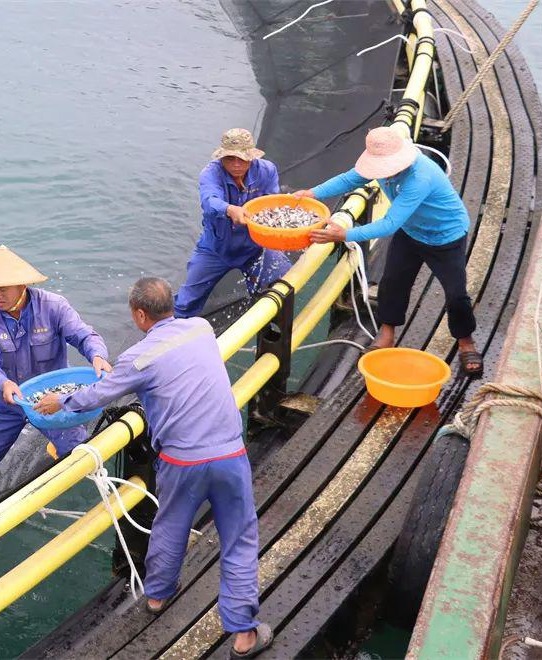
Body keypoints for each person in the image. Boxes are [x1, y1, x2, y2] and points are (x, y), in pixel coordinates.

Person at [34, 277, 272, 659]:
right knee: (240, 539)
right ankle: (244, 635)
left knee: (169, 526)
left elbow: (99, 394)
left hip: (181, 461)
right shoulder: (201, 327)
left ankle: (158, 596)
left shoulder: (137, 358)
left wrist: (58, 403)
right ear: (172, 305)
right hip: (229, 453)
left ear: (140, 315)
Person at [0, 245, 112, 530]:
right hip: (6, 399)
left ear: (23, 284)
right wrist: (2, 383)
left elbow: (83, 335)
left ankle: (61, 446)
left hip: (51, 397)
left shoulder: (54, 305)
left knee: (78, 449)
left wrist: (98, 355)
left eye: (2, 288)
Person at [297, 125, 482, 378]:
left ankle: (465, 341)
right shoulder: (381, 168)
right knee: (393, 282)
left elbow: (389, 223)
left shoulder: (421, 177)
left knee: (456, 293)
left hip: (445, 236)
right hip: (411, 232)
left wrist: (344, 234)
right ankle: (387, 331)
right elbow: (349, 178)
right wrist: (312, 193)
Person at [174, 128, 291, 319]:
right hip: (217, 248)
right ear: (221, 158)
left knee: (281, 283)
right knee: (186, 302)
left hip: (256, 247)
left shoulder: (267, 170)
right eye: (230, 159)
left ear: (252, 157)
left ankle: (267, 322)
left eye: (242, 159)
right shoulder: (210, 173)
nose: (236, 164)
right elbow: (209, 201)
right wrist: (230, 209)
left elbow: (273, 202)